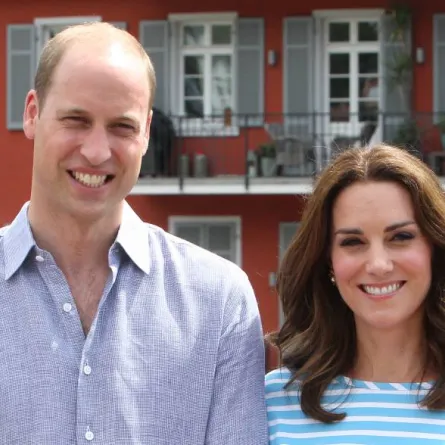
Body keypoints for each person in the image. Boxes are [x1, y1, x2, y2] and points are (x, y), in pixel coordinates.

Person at [0, 22, 268, 444]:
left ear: (145, 131)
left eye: (121, 127)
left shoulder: (219, 301)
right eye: (76, 119)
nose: (96, 151)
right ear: (32, 112)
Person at [265, 144, 445, 444]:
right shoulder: (275, 401)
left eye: (400, 237)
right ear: (328, 262)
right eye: (352, 242)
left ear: (434, 249)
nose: (378, 265)